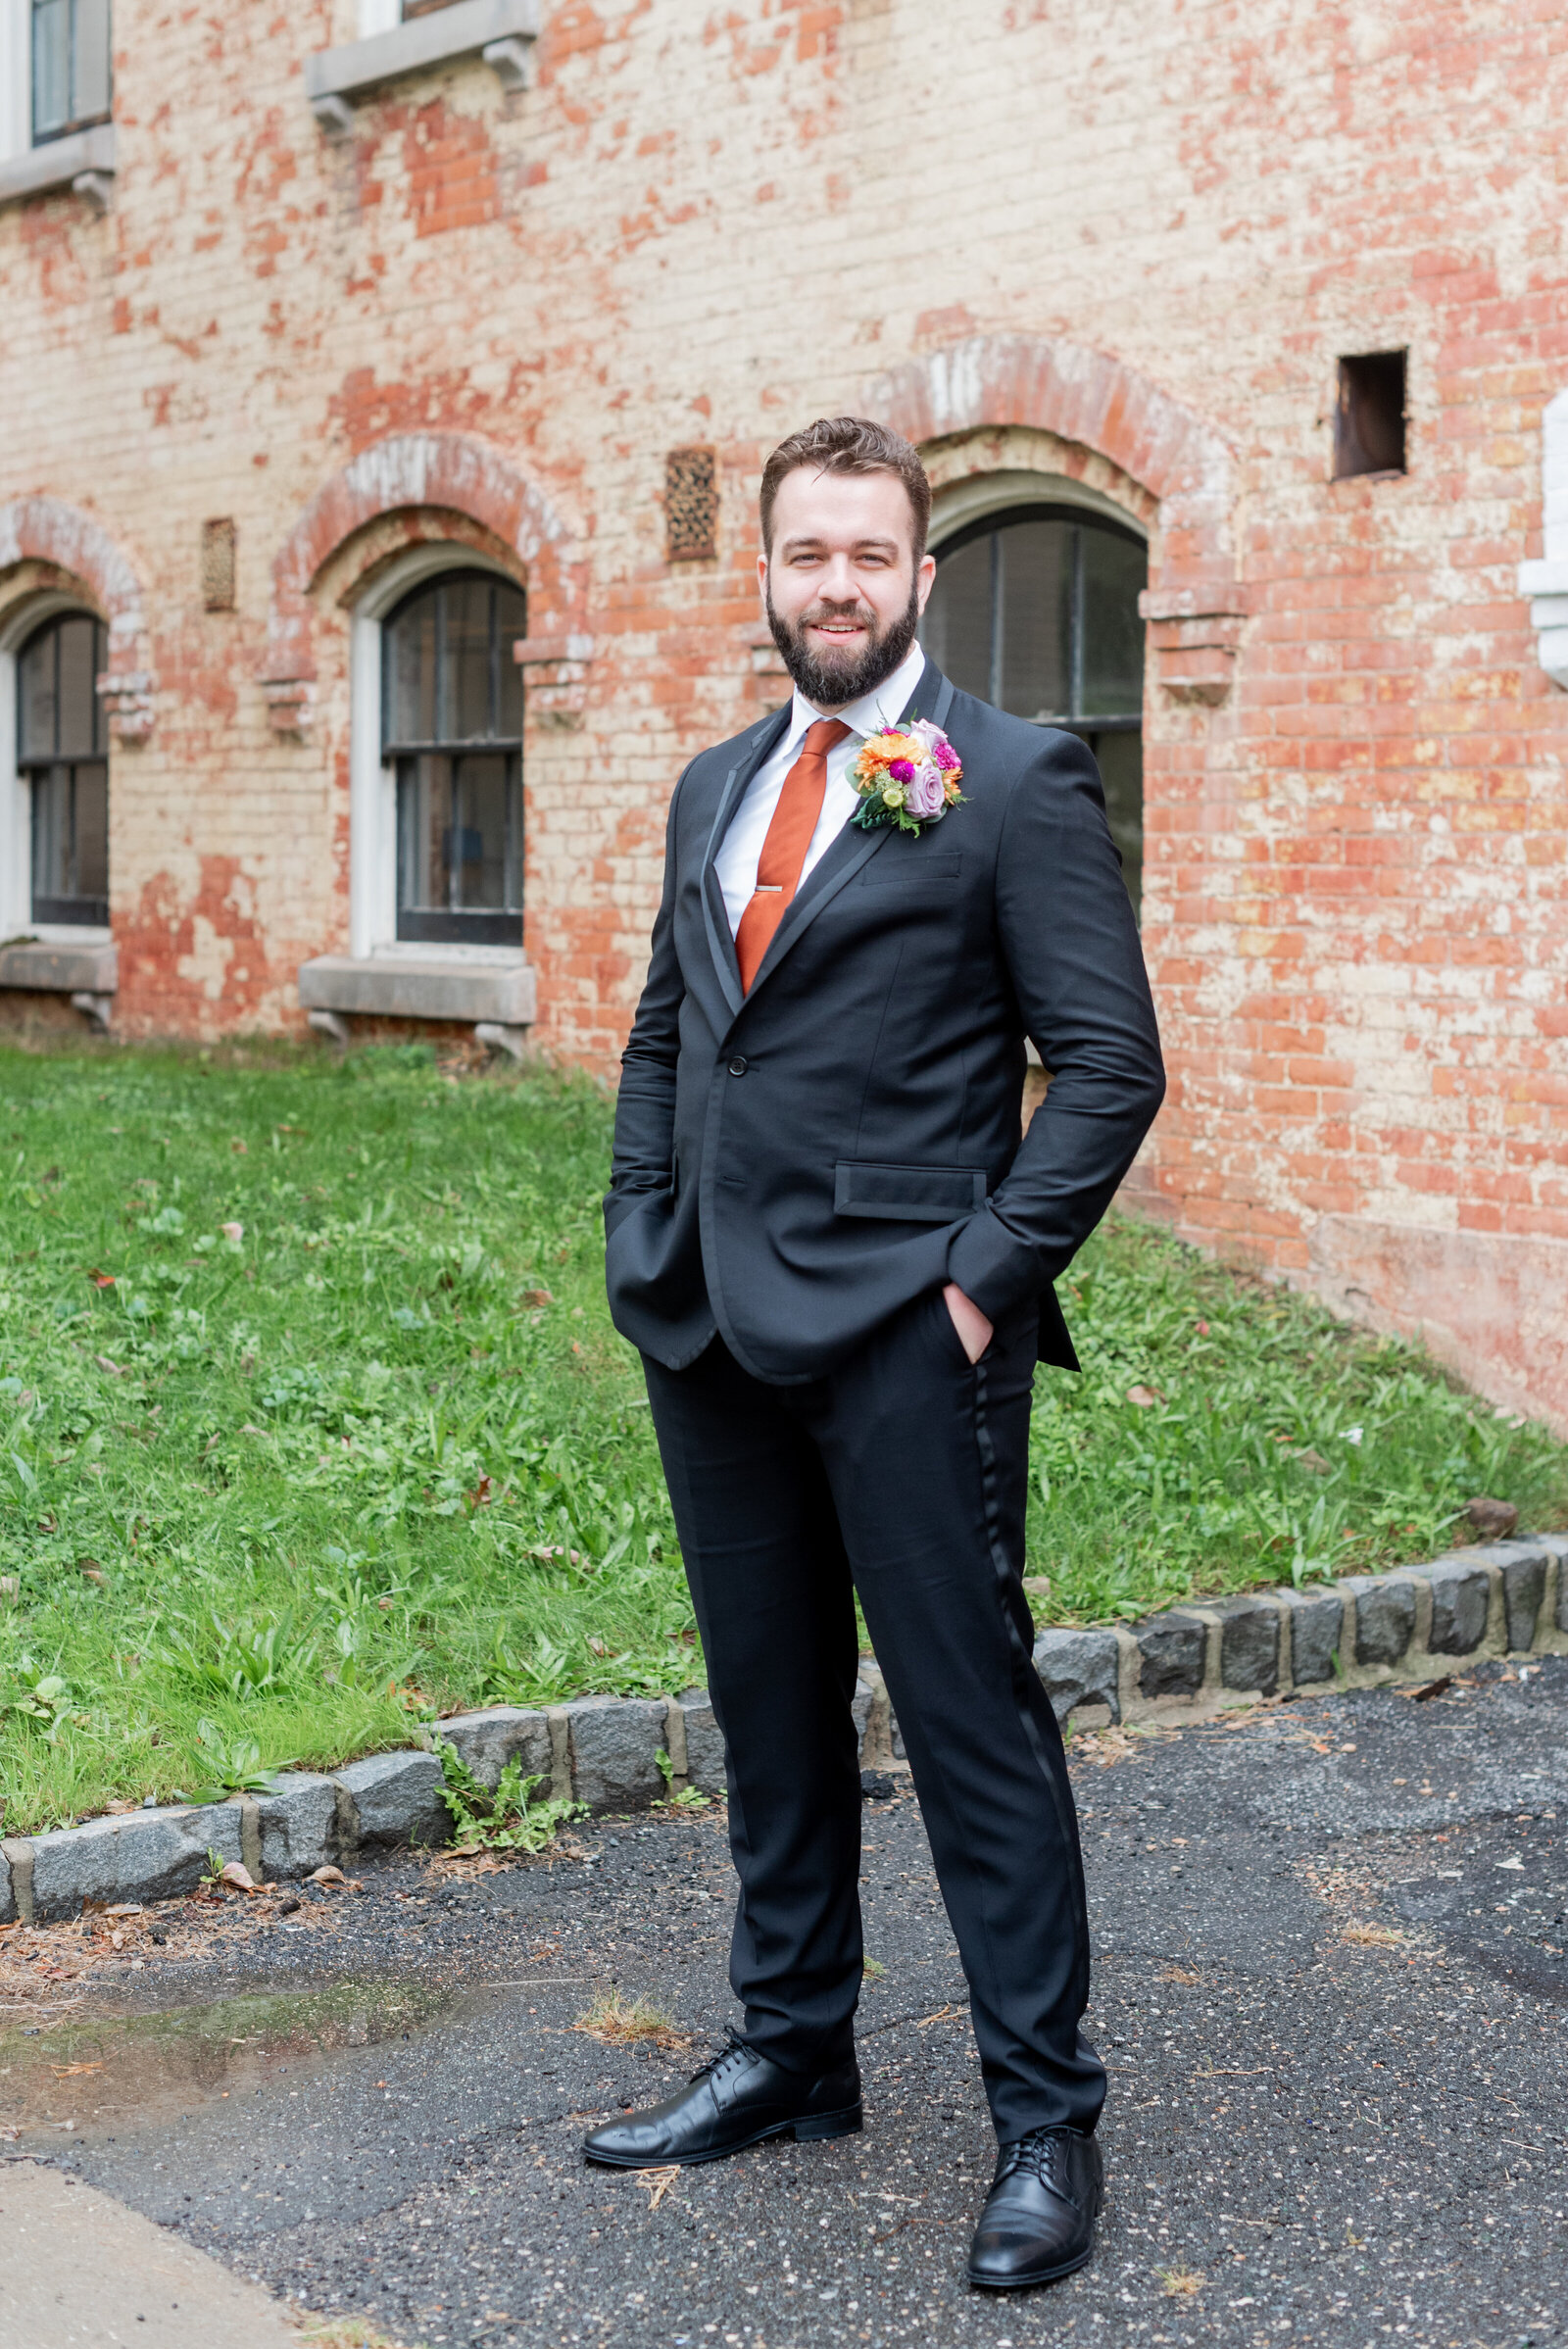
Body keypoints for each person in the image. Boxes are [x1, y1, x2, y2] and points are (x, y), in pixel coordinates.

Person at [583, 416, 1165, 2292]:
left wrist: (981, 1282)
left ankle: (1044, 2117)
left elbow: (1110, 1065)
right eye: (806, 553)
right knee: (770, 1710)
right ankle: (793, 2046)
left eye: (870, 556)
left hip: (915, 1333)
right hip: (712, 1323)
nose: (836, 584)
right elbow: (673, 1031)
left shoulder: (1008, 780)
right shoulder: (715, 785)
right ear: (766, 572)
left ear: (923, 576)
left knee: (970, 1721)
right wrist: (635, 1231)